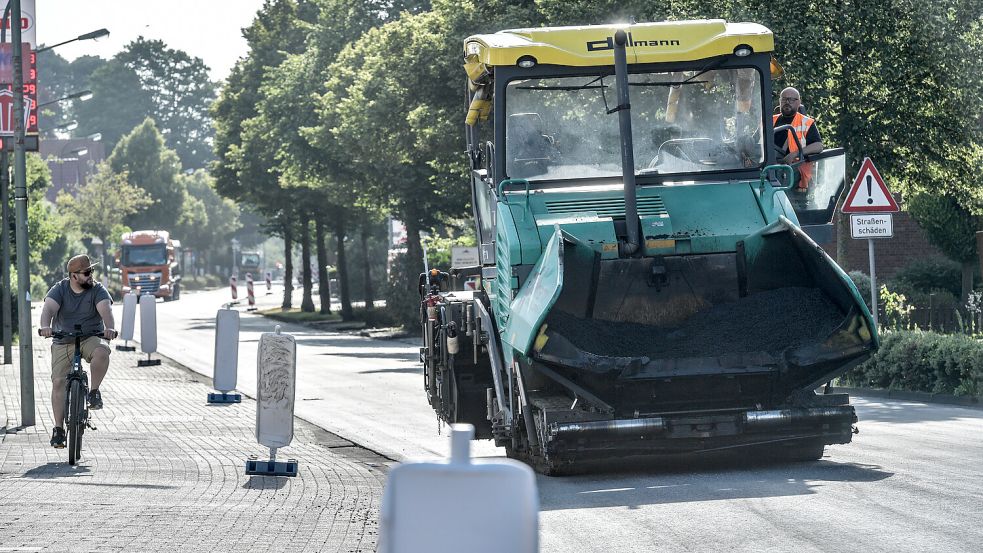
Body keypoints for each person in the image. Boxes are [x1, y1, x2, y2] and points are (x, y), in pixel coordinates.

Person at [38, 254, 117, 449]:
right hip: (63, 338)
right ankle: (58, 430)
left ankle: (94, 393)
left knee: (101, 352)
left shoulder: (97, 290)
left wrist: (109, 328)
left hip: (90, 336)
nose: (91, 275)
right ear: (74, 276)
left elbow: (106, 310)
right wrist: (45, 326)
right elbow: (48, 309)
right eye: (87, 272)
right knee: (58, 382)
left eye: (92, 271)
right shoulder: (60, 289)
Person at [773, 87, 824, 190]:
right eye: (784, 99)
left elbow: (818, 146)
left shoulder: (806, 122)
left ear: (799, 102)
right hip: (772, 167)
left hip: (795, 171)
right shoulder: (770, 120)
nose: (787, 102)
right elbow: (757, 141)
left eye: (791, 99)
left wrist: (795, 154)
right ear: (780, 101)